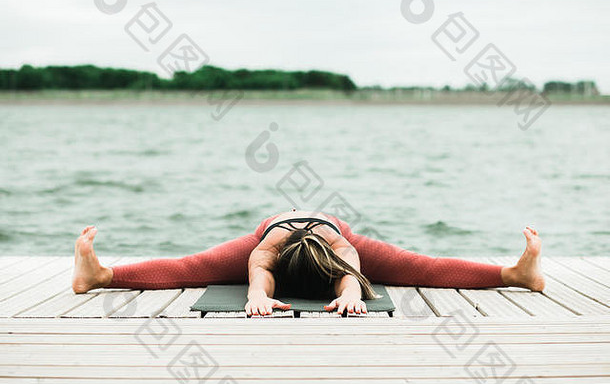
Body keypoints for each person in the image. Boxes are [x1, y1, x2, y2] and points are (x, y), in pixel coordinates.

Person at [72, 209, 545, 316]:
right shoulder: (265, 249)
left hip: (334, 232)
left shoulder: (343, 249)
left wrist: (352, 298)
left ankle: (515, 274)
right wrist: (257, 296)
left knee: (418, 266)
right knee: (193, 266)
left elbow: (355, 282)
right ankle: (100, 275)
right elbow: (257, 278)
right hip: (270, 229)